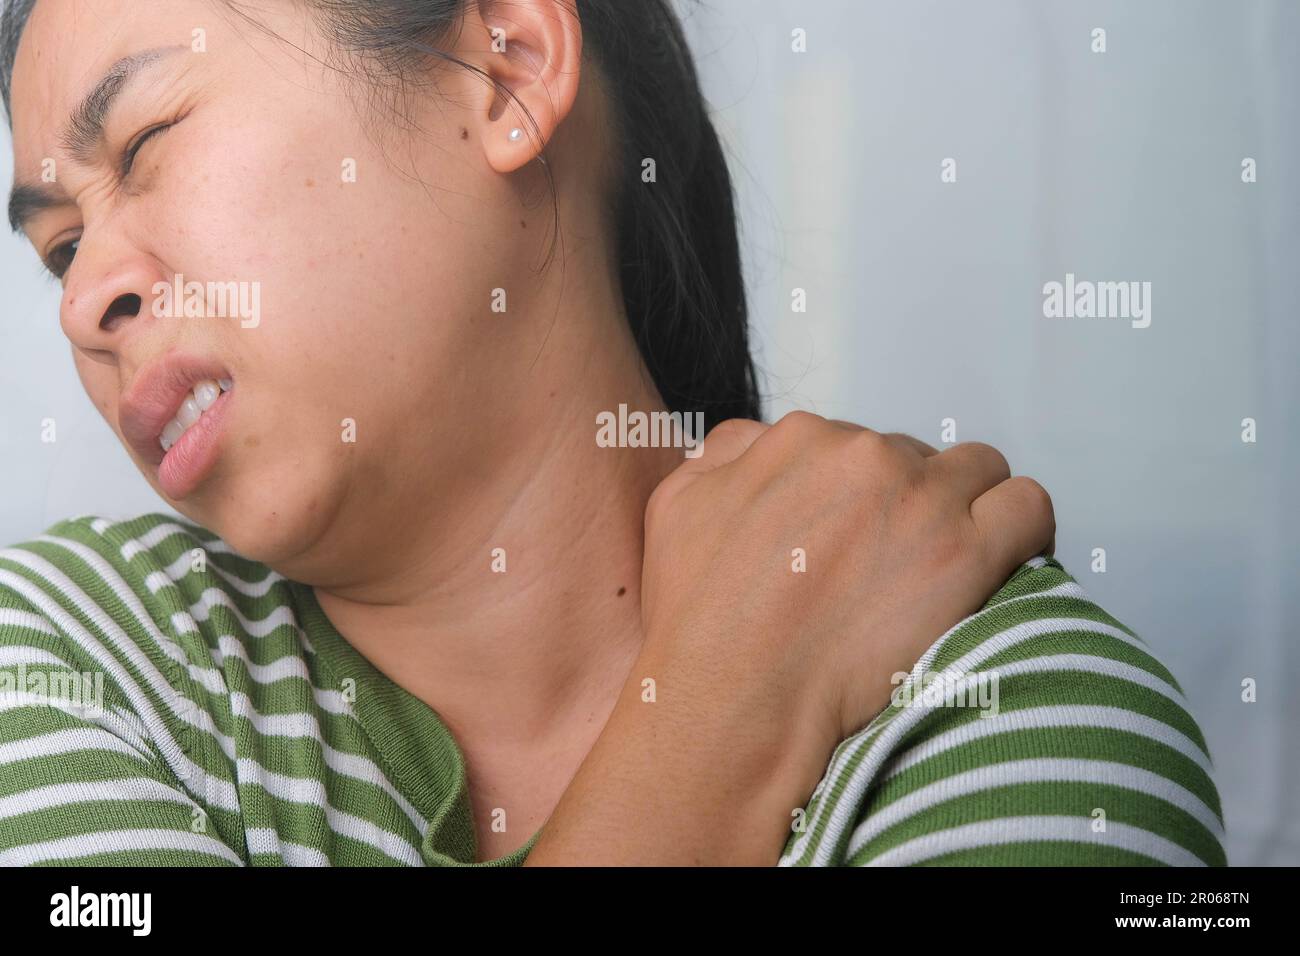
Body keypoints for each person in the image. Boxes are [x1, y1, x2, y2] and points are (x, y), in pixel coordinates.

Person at [0, 0, 1224, 865]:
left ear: (505, 71)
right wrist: (713, 716)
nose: (79, 300)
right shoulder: (64, 659)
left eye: (147, 142)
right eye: (57, 243)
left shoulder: (1000, 700)